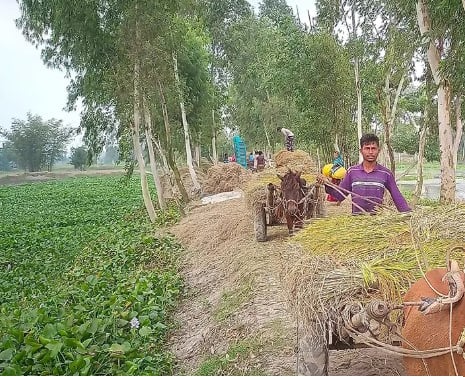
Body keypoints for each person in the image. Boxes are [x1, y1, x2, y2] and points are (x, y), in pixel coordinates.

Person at [317, 133, 411, 214]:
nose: (370, 152)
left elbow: (398, 198)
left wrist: (408, 215)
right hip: (357, 225)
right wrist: (327, 184)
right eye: (367, 148)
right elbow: (340, 196)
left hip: (378, 223)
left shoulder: (386, 173)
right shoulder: (352, 172)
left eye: (373, 148)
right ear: (361, 151)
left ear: (378, 150)